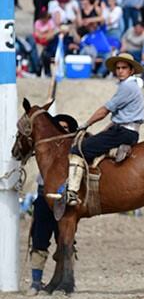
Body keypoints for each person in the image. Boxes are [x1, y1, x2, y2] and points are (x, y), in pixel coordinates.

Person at [49, 54, 144, 206]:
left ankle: (72, 193)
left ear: (131, 70)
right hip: (128, 131)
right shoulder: (131, 86)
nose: (120, 71)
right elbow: (118, 118)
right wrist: (104, 132)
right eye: (118, 68)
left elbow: (104, 110)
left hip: (122, 133)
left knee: (77, 150)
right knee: (95, 142)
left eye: (124, 68)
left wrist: (85, 124)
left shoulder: (126, 86)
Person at [28, 114, 77, 294]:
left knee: (64, 241)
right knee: (39, 240)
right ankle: (35, 282)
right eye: (59, 127)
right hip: (43, 196)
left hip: (63, 199)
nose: (62, 131)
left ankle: (64, 281)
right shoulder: (45, 149)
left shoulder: (73, 151)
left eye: (66, 128)